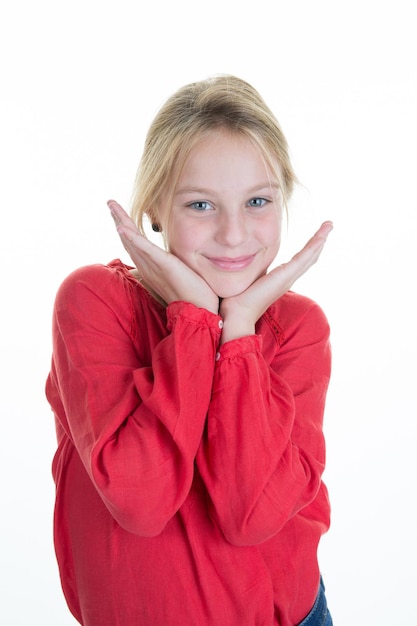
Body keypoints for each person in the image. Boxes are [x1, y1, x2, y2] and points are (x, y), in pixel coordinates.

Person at [46, 74, 334, 626]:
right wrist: (196, 323)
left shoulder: (299, 328)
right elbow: (140, 500)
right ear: (154, 206)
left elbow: (249, 515)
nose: (233, 234)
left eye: (257, 201)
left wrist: (240, 331)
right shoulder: (92, 301)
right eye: (201, 204)